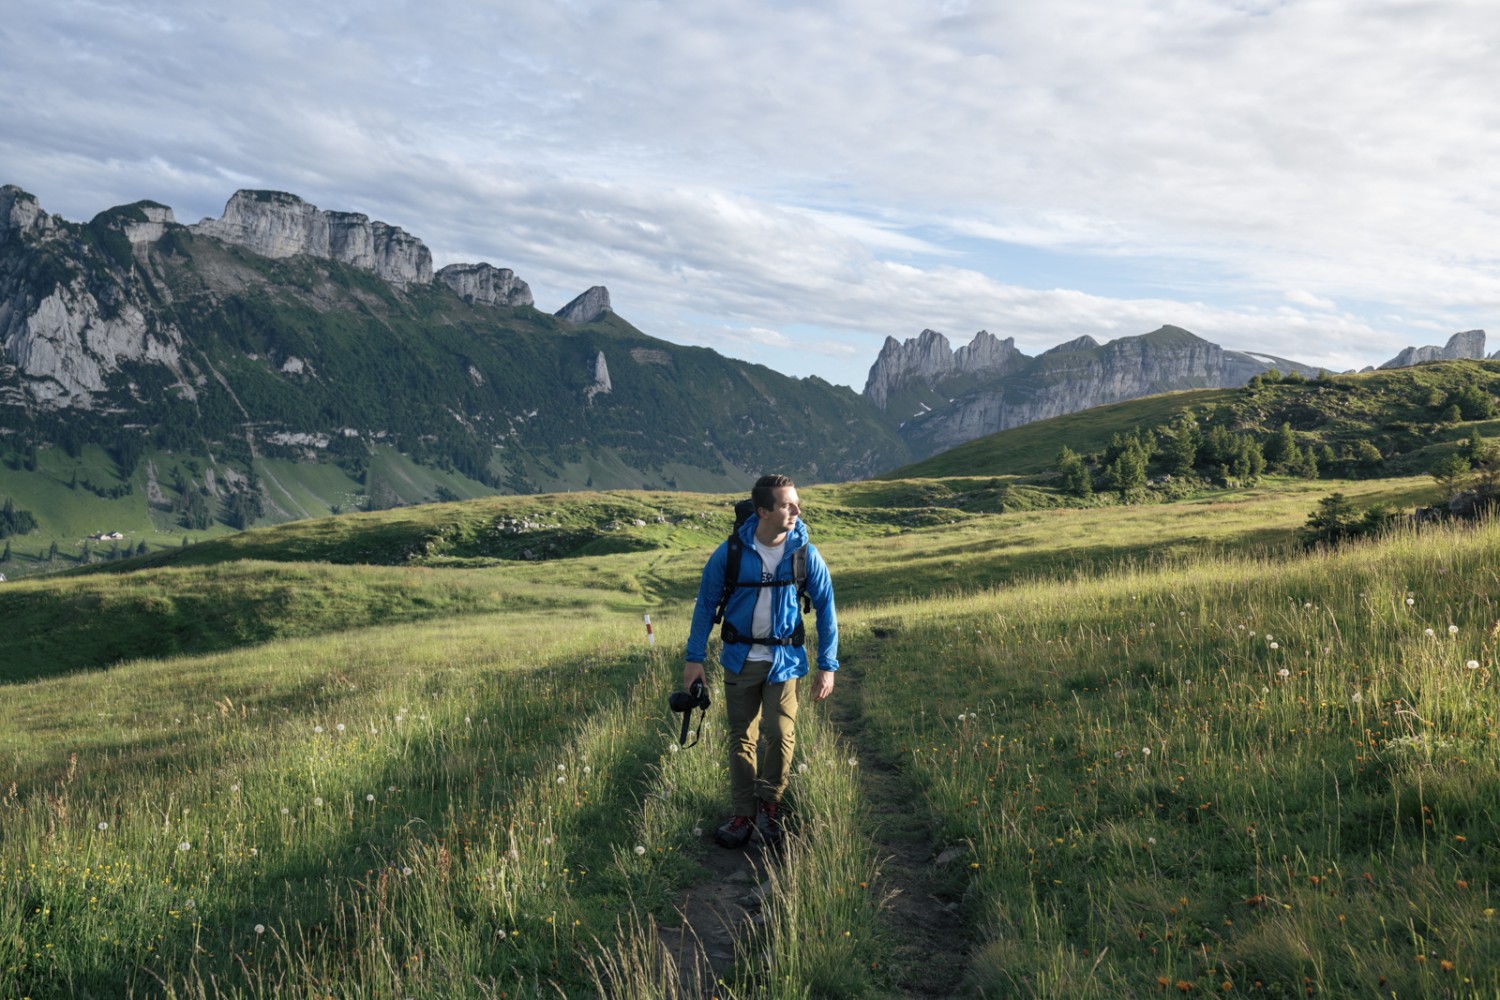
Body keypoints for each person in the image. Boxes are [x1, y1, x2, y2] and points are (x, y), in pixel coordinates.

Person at [684, 474, 839, 848]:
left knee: (781, 732)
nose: (797, 511)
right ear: (763, 511)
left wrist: (827, 665)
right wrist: (694, 659)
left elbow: (826, 609)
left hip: (785, 660)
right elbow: (705, 606)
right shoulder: (731, 552)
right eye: (788, 505)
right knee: (741, 738)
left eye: (796, 503)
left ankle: (770, 806)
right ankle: (743, 815)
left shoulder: (805, 553)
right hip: (740, 658)